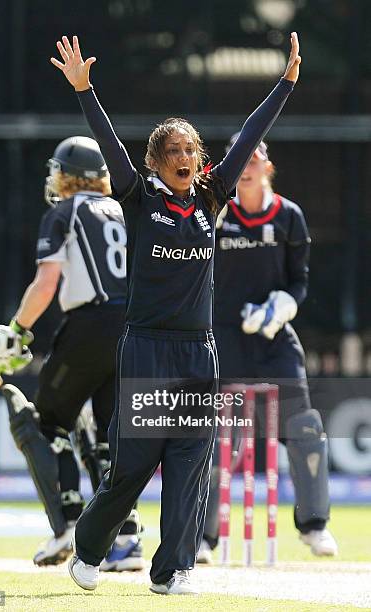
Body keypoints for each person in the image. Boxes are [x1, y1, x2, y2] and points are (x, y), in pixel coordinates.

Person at [50, 33, 300, 595]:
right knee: (134, 467)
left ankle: (174, 569)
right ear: (157, 162)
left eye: (191, 151)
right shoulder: (140, 199)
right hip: (145, 346)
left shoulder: (211, 198)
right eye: (174, 153)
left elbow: (252, 135)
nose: (186, 158)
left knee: (191, 460)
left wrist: (284, 85)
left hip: (196, 350)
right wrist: (86, 91)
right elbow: (108, 141)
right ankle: (88, 549)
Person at [0, 136, 144, 570]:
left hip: (90, 325)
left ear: (71, 177)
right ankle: (125, 539)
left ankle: (69, 525)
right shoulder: (126, 210)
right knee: (108, 434)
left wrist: (18, 329)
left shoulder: (64, 211)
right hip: (133, 329)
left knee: (48, 421)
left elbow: (46, 283)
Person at [197, 136, 337, 564]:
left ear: (267, 164)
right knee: (211, 436)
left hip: (275, 338)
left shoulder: (289, 216)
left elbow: (300, 280)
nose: (247, 165)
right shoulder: (218, 213)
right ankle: (203, 536)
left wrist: (283, 307)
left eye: (255, 156)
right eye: (240, 159)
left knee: (305, 428)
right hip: (223, 336)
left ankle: (314, 526)